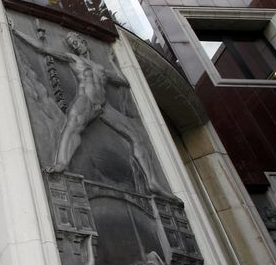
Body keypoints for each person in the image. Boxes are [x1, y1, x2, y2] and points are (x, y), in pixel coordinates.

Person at [11, 20, 168, 194]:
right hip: (85, 100)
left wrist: (113, 61)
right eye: (72, 43)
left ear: (83, 42)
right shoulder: (74, 60)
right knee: (71, 129)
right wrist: (17, 31)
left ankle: (152, 182)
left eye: (77, 41)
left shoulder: (101, 68)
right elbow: (43, 49)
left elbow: (123, 81)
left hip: (104, 106)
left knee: (137, 136)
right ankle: (61, 164)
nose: (76, 44)